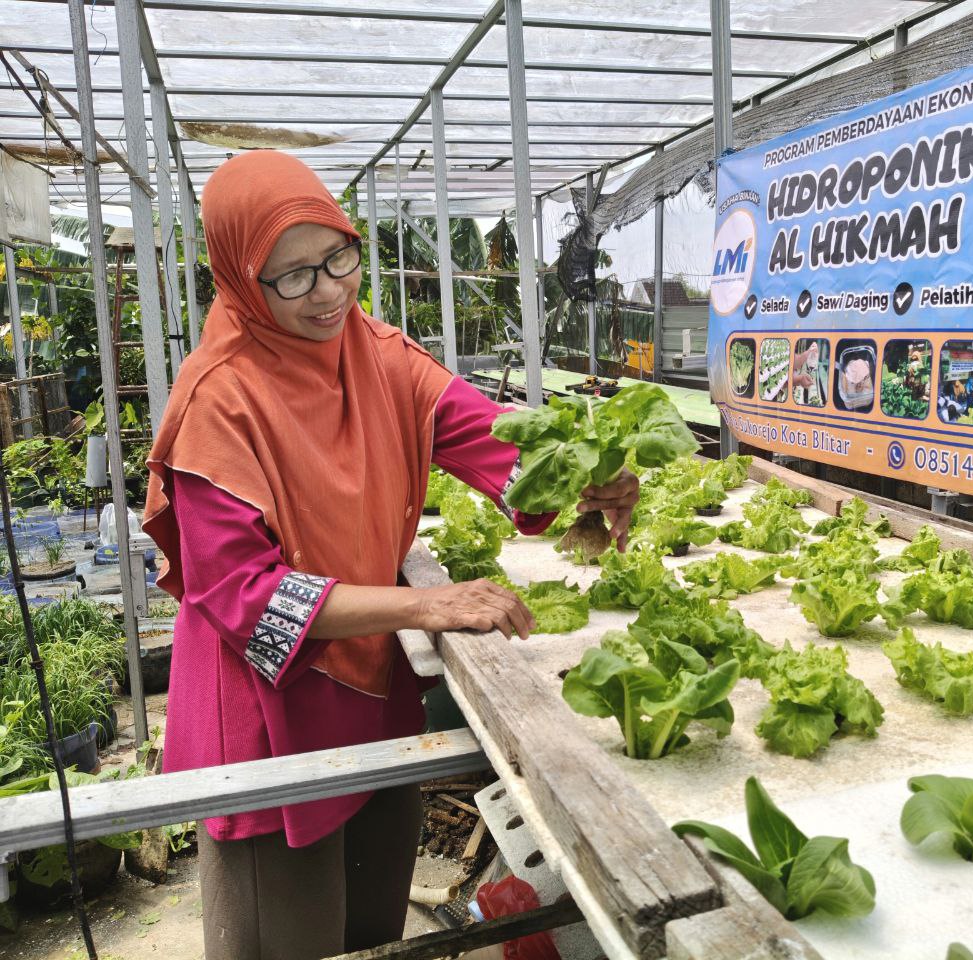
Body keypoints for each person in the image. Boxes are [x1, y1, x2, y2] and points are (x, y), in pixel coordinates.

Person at [142, 151, 639, 960]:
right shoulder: (216, 402)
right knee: (290, 941)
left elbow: (496, 442)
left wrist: (591, 474)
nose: (331, 290)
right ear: (240, 279)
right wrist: (425, 604)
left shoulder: (378, 355)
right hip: (269, 720)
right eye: (293, 276)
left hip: (368, 690)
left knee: (374, 933)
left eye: (338, 256)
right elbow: (250, 605)